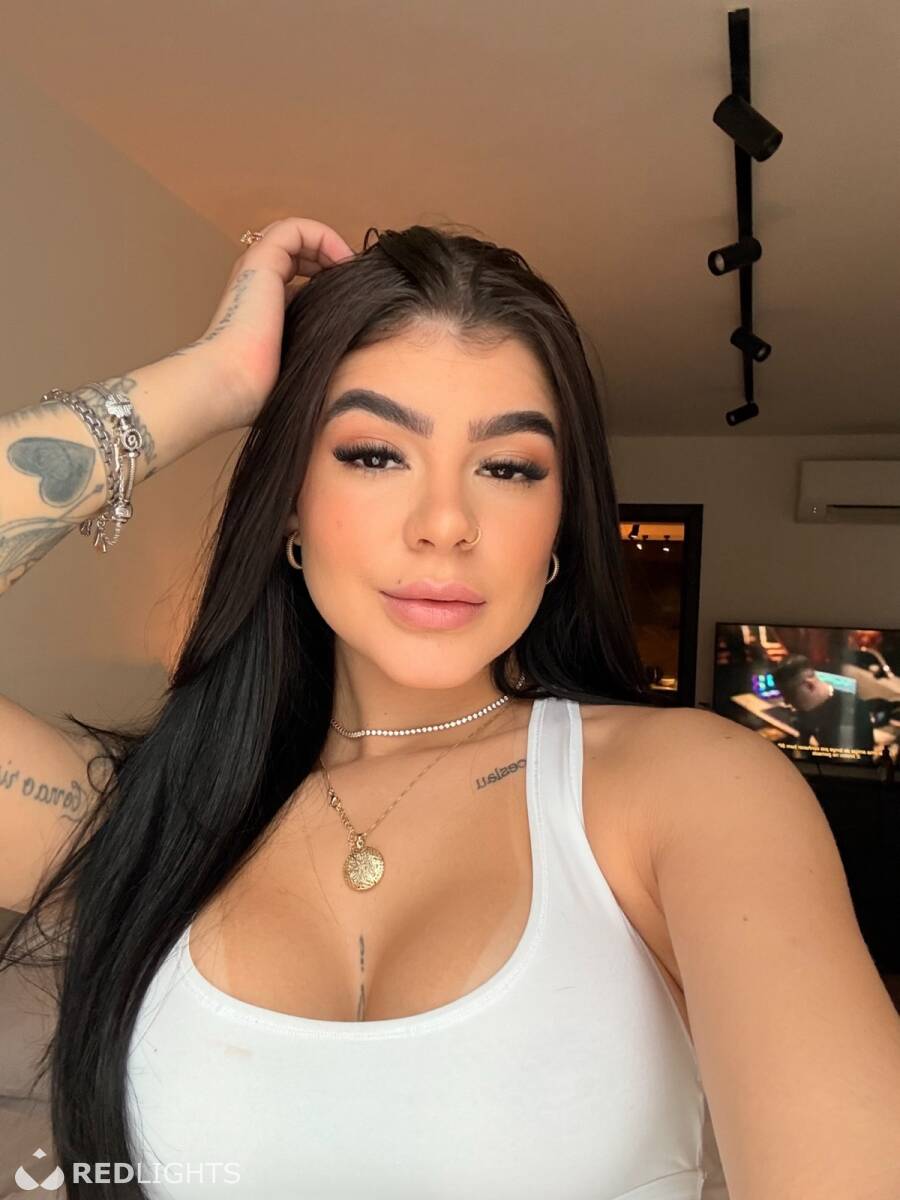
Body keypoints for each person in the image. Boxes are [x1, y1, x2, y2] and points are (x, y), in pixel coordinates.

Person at [2, 219, 898, 1200]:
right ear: (290, 503)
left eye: (508, 468)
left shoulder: (690, 792)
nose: (445, 524)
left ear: (560, 526)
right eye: (373, 453)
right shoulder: (143, 823)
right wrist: (214, 380)